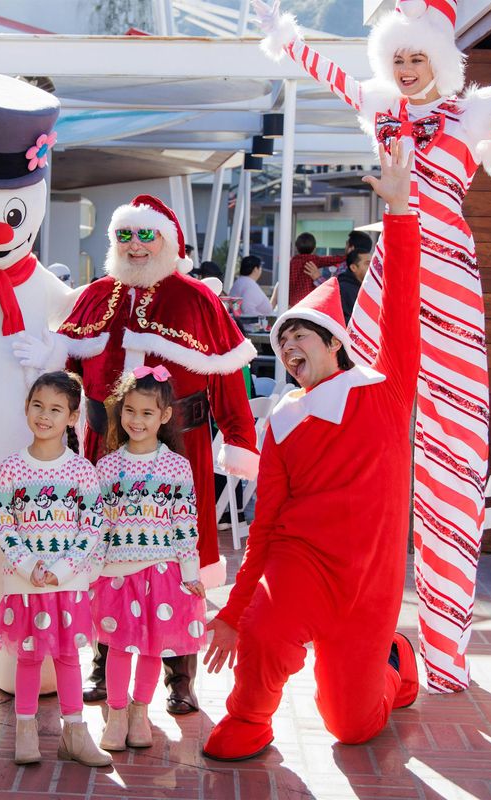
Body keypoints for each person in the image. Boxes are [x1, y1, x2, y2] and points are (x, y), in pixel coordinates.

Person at [254, 0, 491, 693]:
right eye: (396, 56)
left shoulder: (472, 112)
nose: (405, 67)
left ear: (442, 58)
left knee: (452, 458)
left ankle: (447, 653)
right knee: (353, 426)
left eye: (417, 55)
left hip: (449, 281)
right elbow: (325, 72)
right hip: (389, 278)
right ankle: (334, 610)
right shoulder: (376, 105)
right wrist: (288, 38)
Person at [202, 141, 421, 761]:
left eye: (301, 336)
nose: (290, 347)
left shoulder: (384, 387)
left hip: (369, 583)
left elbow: (403, 302)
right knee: (265, 635)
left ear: (335, 343)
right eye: (283, 340)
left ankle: (396, 663)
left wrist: (401, 213)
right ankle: (249, 718)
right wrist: (233, 610)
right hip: (300, 564)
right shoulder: (284, 419)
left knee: (351, 727)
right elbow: (266, 523)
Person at [32, 194, 259, 716]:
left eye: (146, 235)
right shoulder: (94, 297)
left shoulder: (197, 299)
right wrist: (57, 441)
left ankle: (181, 675)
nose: (135, 247)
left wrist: (241, 441)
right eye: (126, 235)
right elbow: (67, 374)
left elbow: (228, 382)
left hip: (181, 448)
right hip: (102, 448)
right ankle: (101, 661)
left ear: (168, 241)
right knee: (104, 554)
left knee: (182, 556)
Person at [0, 371, 111, 767]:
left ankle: (74, 731)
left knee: (68, 659)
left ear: (72, 417)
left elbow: (93, 524)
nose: (44, 415)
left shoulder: (81, 471)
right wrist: (28, 566)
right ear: (26, 408)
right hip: (24, 584)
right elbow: (2, 521)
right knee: (27, 656)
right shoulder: (10, 468)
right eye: (37, 405)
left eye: (56, 409)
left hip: (67, 583)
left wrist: (60, 568)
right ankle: (25, 729)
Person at [92, 366, 207, 751]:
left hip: (162, 571)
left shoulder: (176, 466)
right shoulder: (107, 466)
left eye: (146, 413)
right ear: (119, 411)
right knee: (120, 645)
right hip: (118, 573)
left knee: (152, 647)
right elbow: (98, 523)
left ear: (164, 416)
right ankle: (117, 712)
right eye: (129, 411)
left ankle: (141, 711)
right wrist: (91, 568)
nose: (136, 420)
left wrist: (189, 571)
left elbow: (185, 519)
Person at [337, 248, 373, 321]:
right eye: (367, 263)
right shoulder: (344, 289)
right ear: (353, 267)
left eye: (373, 263)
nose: (372, 267)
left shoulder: (369, 287)